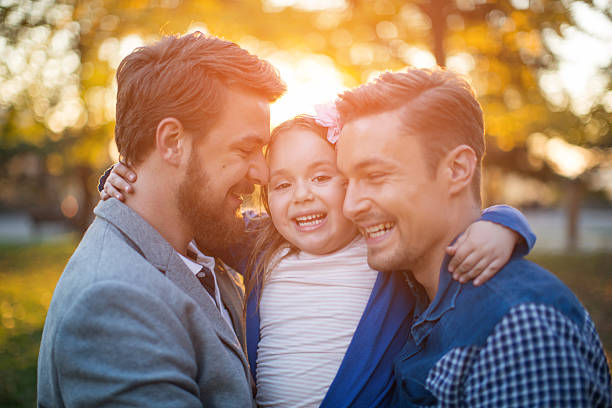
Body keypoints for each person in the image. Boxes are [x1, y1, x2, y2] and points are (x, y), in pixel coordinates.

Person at [102, 114, 536, 407]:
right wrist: (122, 181)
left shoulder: (384, 246)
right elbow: (185, 214)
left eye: (322, 177)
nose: (302, 195)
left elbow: (441, 225)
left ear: (353, 183)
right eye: (282, 184)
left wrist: (501, 222)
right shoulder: (260, 243)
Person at [335, 67, 612, 407]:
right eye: (346, 182)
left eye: (375, 176)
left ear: (457, 170)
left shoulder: (517, 329)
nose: (349, 206)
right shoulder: (407, 293)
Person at [37, 32, 285, 407]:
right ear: (171, 141)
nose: (262, 173)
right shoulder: (113, 302)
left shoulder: (198, 237)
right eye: (245, 148)